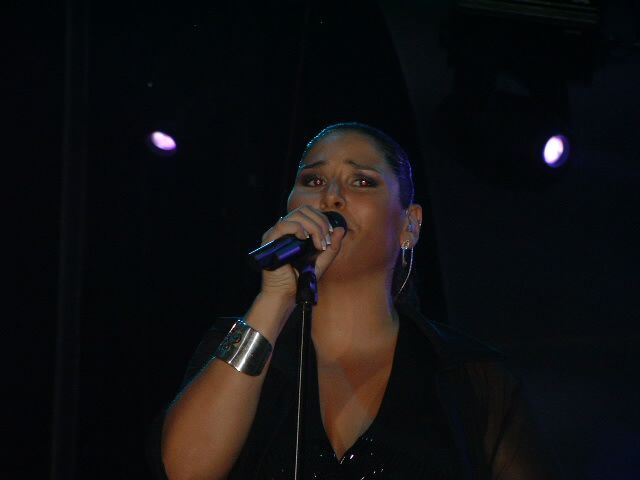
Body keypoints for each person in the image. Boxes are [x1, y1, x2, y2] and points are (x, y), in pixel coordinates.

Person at [149, 122, 554, 479]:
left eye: (361, 181)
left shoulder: (469, 374)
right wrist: (274, 299)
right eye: (313, 180)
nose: (331, 198)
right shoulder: (241, 344)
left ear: (410, 224)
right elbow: (187, 470)